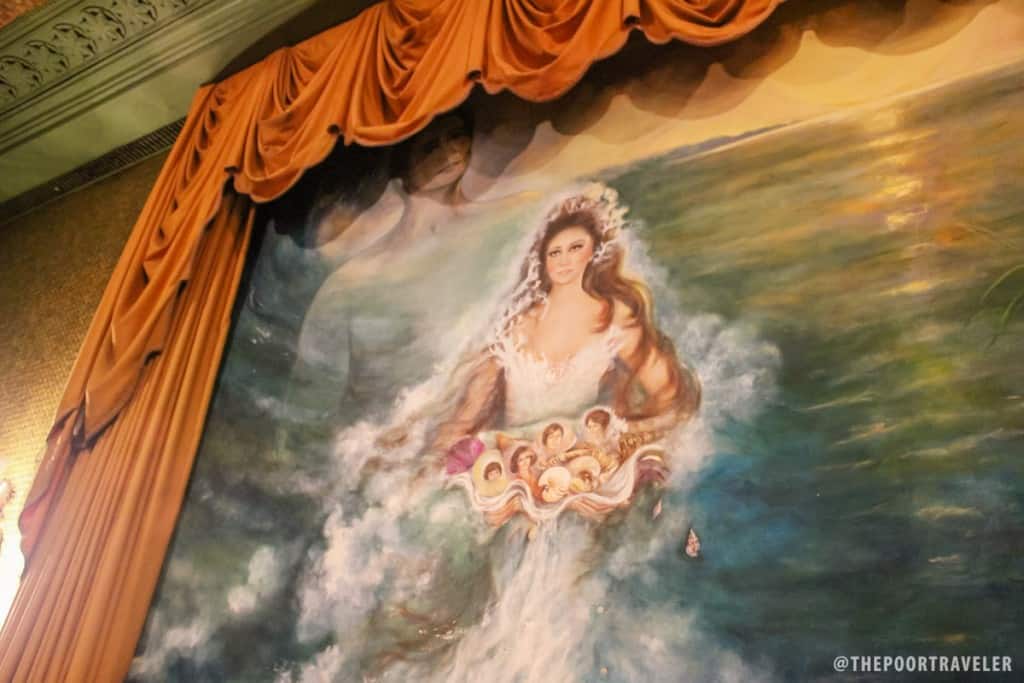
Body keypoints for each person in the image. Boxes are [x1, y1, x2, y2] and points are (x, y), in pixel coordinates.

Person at [431, 184, 701, 456]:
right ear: (543, 260)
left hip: (580, 459)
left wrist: (621, 437)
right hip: (514, 461)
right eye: (555, 252)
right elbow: (466, 417)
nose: (564, 260)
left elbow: (668, 394)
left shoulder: (612, 316)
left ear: (593, 252)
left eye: (575, 248)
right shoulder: (517, 324)